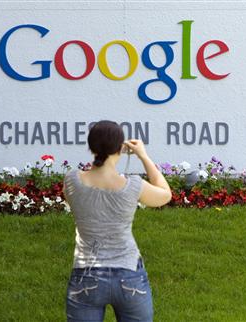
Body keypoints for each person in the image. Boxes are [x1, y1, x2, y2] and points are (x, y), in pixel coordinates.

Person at [63, 120, 172, 321]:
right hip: (129, 274)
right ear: (120, 148)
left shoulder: (72, 180)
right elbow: (165, 194)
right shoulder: (133, 186)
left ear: (91, 147)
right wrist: (143, 156)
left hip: (86, 274)